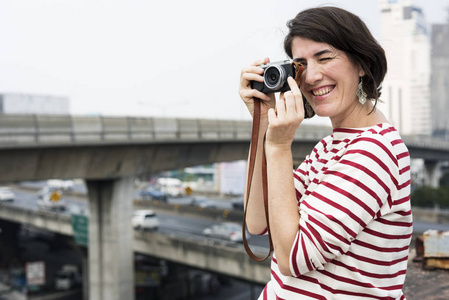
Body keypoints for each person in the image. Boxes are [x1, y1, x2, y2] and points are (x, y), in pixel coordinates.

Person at [238, 6, 412, 300]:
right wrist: (262, 122)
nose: (313, 76)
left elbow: (294, 258)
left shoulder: (375, 151)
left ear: (361, 63)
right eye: (301, 65)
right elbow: (258, 221)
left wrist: (279, 148)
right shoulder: (333, 144)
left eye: (325, 57)